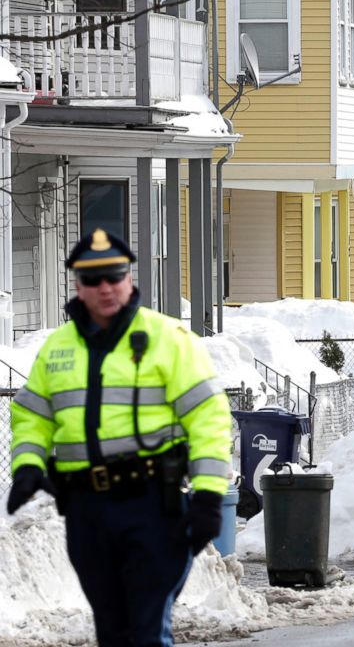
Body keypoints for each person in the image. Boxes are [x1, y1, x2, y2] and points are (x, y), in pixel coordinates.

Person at [6, 228, 232, 647]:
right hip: (87, 512)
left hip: (153, 506)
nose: (105, 287)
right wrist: (27, 466)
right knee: (112, 633)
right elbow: (31, 415)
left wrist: (208, 497)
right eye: (94, 279)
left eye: (115, 275)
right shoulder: (58, 347)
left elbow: (209, 419)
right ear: (78, 285)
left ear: (130, 278)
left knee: (145, 633)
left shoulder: (169, 339)